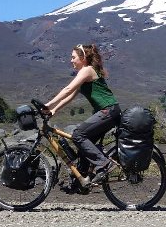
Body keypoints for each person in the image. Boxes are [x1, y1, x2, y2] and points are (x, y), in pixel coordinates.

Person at [42, 43, 120, 186]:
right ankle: (83, 179)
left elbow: (68, 89)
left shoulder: (87, 70)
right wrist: (53, 110)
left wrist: (47, 105)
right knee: (84, 141)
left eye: (73, 57)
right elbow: (69, 96)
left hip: (108, 111)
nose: (71, 60)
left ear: (83, 58)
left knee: (78, 135)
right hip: (109, 111)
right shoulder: (85, 73)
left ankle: (104, 164)